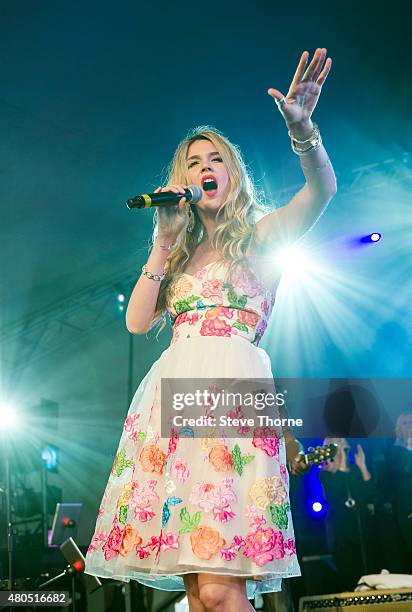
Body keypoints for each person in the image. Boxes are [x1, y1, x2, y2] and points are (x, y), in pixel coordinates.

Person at [84, 47, 336, 611]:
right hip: (173, 403)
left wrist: (304, 132)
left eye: (215, 159)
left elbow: (321, 192)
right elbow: (137, 321)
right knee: (200, 591)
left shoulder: (263, 238)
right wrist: (162, 240)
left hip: (230, 397)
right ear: (184, 182)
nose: (204, 168)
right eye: (194, 162)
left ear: (232, 173)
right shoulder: (175, 254)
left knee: (222, 587)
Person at [319, 438, 381, 592]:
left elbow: (370, 492)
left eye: (342, 442)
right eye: (337, 443)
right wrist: (341, 461)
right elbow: (335, 496)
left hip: (363, 528)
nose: (341, 444)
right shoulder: (326, 475)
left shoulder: (354, 470)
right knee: (349, 572)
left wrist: (362, 466)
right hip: (343, 533)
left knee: (370, 567)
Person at [386, 412, 412, 570]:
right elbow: (407, 468)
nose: (410, 426)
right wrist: (409, 445)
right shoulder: (395, 453)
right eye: (405, 423)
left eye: (411, 422)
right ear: (397, 430)